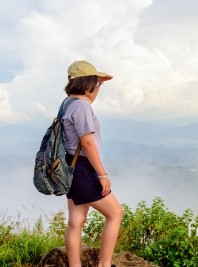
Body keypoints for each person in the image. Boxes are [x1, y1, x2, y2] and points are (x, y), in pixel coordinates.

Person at [61, 60, 123, 267]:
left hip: (70, 166)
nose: (96, 87)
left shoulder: (68, 103)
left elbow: (88, 98)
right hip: (84, 169)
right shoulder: (81, 107)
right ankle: (104, 264)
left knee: (76, 222)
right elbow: (87, 143)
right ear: (87, 82)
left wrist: (99, 84)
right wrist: (102, 175)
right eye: (94, 82)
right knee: (115, 214)